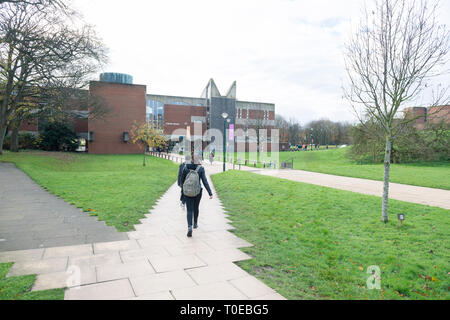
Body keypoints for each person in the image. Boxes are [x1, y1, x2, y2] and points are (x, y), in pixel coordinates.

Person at [180, 154, 213, 237]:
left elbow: (182, 181)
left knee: (189, 210)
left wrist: (183, 192)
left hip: (187, 192)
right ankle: (195, 223)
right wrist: (210, 192)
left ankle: (189, 227)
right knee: (196, 207)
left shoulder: (186, 167)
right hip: (197, 192)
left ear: (191, 159)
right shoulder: (200, 168)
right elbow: (205, 181)